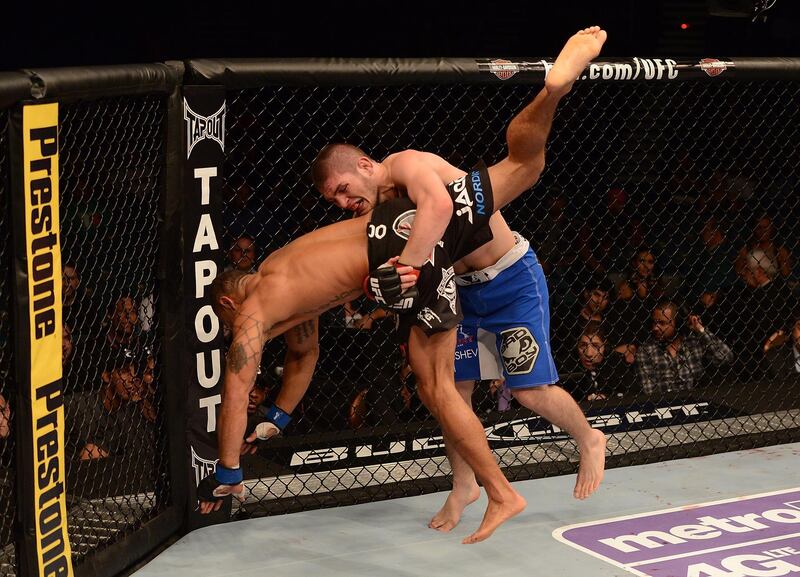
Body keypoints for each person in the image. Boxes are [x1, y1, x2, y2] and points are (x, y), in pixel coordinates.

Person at [314, 28, 609, 533]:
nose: (344, 203)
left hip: (511, 276)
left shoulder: (406, 165)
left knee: (530, 391)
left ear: (365, 165)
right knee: (453, 391)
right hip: (463, 293)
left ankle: (589, 438)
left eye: (344, 190)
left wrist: (407, 264)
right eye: (334, 202)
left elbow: (440, 205)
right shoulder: (381, 210)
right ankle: (464, 486)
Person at [635, 301, 732, 394]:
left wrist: (701, 330)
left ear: (678, 323)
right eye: (654, 323)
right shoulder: (646, 351)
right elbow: (649, 391)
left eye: (662, 323)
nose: (655, 328)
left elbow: (725, 357)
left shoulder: (694, 343)